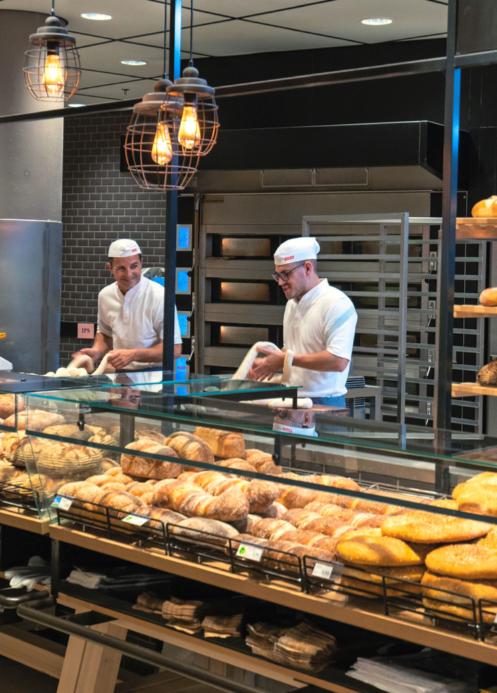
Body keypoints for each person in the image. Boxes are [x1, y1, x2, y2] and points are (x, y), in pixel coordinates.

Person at [250, 236, 357, 407]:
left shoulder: (336, 303)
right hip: (290, 398)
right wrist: (270, 362)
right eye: (277, 275)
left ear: (308, 268)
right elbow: (294, 350)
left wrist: (285, 359)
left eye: (286, 274)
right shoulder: (292, 304)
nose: (280, 282)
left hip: (324, 402)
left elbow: (338, 361)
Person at [73, 238, 182, 371]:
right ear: (110, 268)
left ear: (141, 263)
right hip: (118, 375)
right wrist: (96, 351)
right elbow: (106, 334)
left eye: (134, 266)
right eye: (121, 268)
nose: (129, 274)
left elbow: (174, 349)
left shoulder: (159, 296)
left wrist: (133, 355)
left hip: (154, 376)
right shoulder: (105, 295)